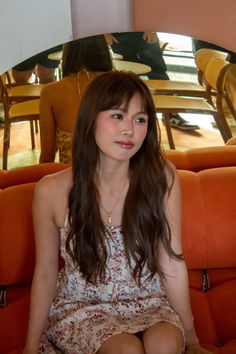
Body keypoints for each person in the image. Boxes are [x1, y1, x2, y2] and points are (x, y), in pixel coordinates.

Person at [23, 71, 212, 354]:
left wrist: (192, 338)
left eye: (140, 119)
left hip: (149, 301)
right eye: (118, 116)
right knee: (125, 350)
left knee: (165, 344)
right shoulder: (51, 191)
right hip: (83, 308)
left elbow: (171, 262)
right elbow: (47, 273)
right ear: (90, 118)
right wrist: (29, 347)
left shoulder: (161, 177)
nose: (129, 130)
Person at [105, 31, 200, 132]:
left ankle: (171, 115)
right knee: (128, 79)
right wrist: (105, 33)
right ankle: (131, 117)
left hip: (144, 33)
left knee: (159, 74)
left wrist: (151, 29)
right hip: (118, 37)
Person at [39, 35, 113, 163]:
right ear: (103, 50)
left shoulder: (50, 92)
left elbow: (47, 155)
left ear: (68, 52)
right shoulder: (121, 85)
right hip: (118, 179)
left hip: (72, 180)